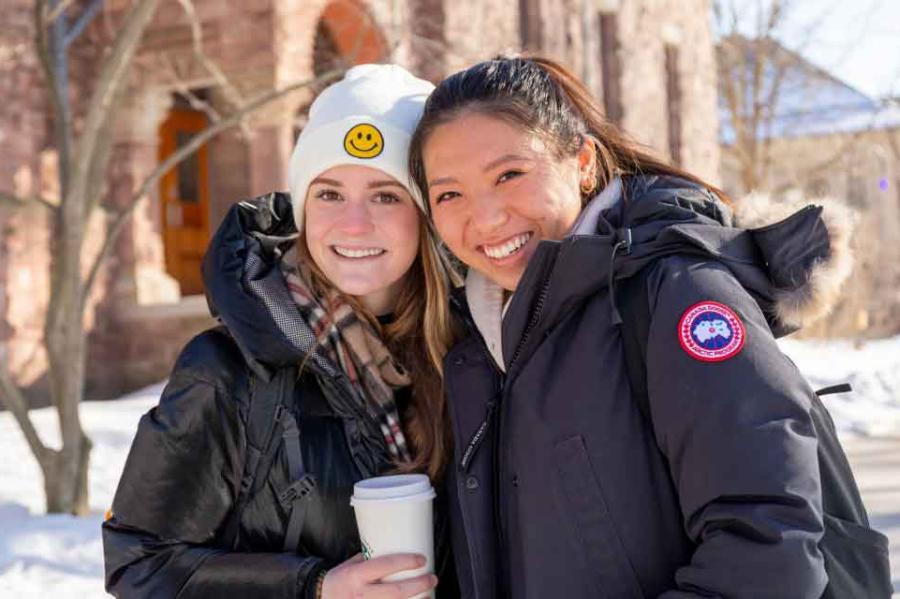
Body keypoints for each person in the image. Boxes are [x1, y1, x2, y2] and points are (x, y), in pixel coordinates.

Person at [408, 56, 867, 598]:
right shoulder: (476, 345)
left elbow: (771, 549)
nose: (484, 219)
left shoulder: (676, 294)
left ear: (580, 161)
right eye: (450, 194)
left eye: (509, 175)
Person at [103, 64, 461, 599]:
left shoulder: (471, 357)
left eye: (386, 195)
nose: (354, 224)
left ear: (426, 213)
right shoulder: (227, 371)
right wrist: (312, 588)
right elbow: (140, 565)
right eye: (329, 193)